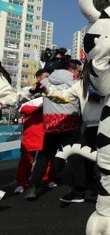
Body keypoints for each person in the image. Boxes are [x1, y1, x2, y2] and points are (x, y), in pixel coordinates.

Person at [42, 61, 105, 201]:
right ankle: (78, 192)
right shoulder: (80, 85)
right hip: (90, 128)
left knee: (109, 160)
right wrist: (46, 90)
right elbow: (63, 97)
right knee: (76, 157)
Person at [24, 59, 82, 200]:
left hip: (51, 123)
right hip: (70, 122)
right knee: (75, 157)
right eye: (78, 70)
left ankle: (33, 187)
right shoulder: (76, 82)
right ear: (71, 69)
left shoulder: (45, 81)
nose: (79, 72)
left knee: (44, 156)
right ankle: (78, 188)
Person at [14, 69, 56, 194]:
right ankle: (22, 183)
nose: (48, 79)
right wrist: (37, 108)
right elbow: (20, 107)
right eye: (45, 77)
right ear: (38, 78)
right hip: (31, 131)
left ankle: (47, 179)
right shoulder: (28, 91)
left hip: (47, 130)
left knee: (48, 158)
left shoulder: (52, 91)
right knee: (26, 160)